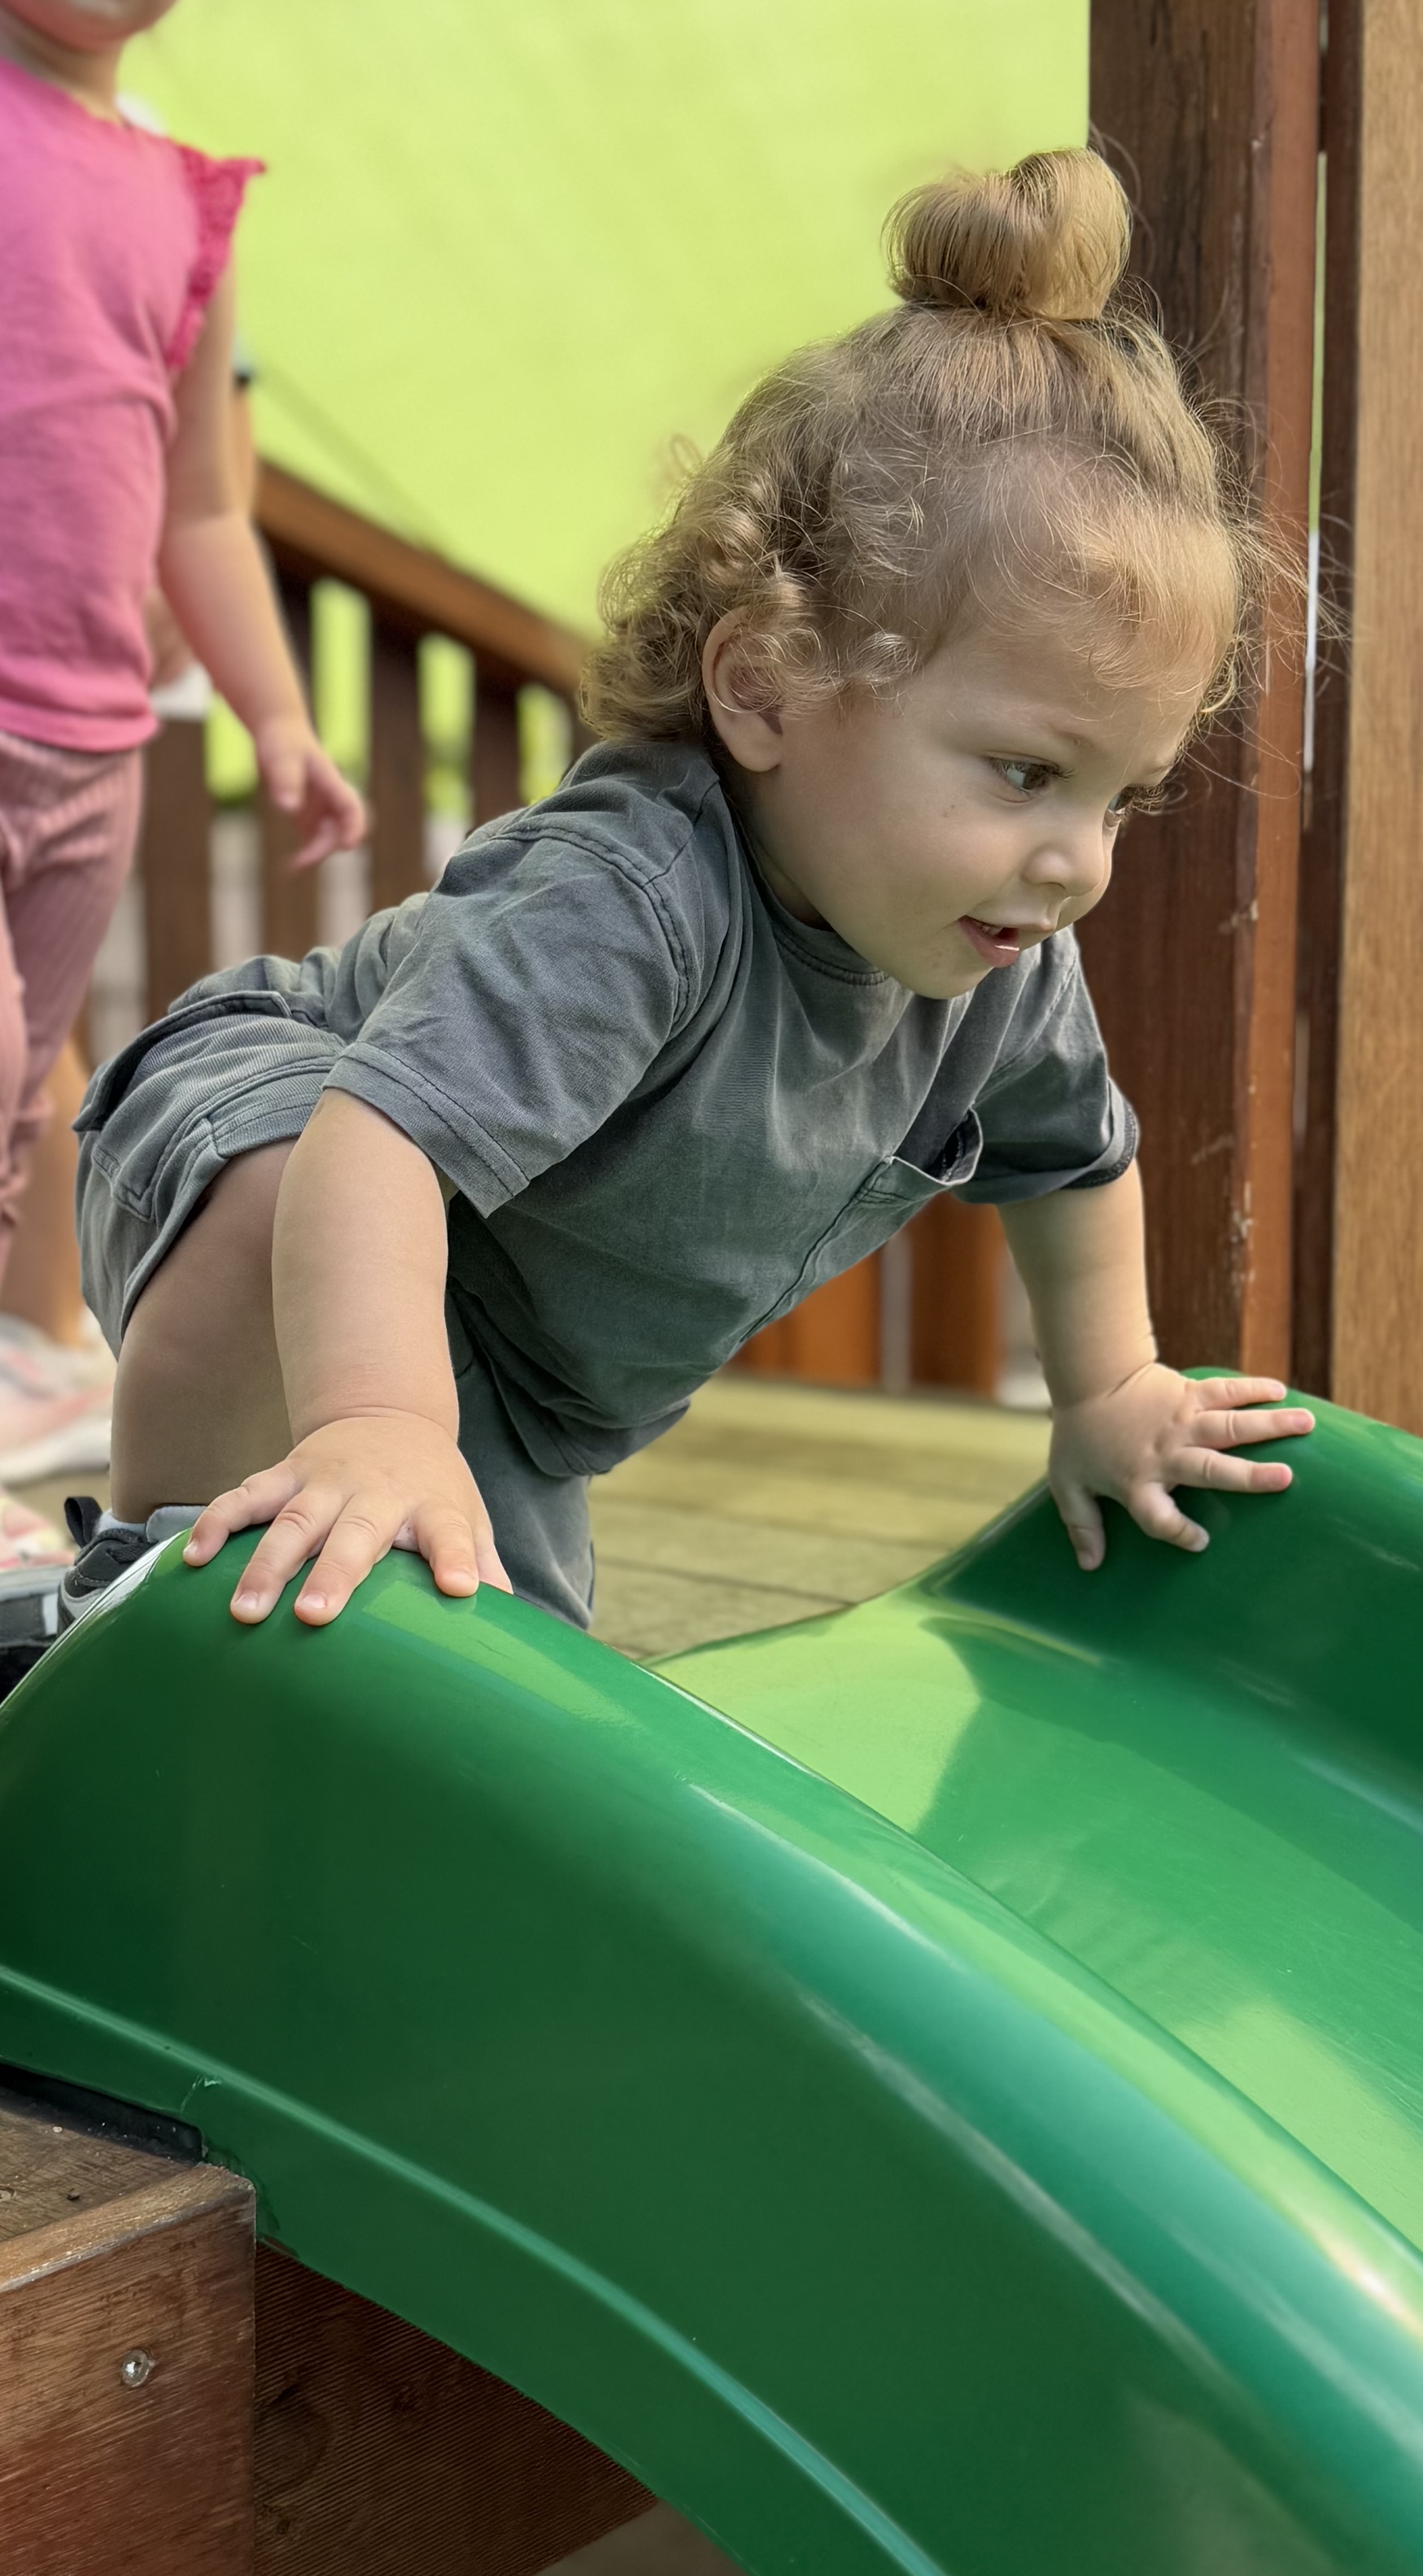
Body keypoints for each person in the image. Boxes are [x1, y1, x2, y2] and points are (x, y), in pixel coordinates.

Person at [6, 145, 1313, 1687]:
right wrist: (379, 1423)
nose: (1073, 856)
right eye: (1025, 771)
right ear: (764, 687)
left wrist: (1108, 1390)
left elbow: (1072, 1156)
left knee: (499, 1691)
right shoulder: (635, 895)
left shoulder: (1003, 966)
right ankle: (144, 1593)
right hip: (289, 1129)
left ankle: (76, 1629)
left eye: (1118, 797)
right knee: (289, 1231)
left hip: (516, 1362)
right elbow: (379, 1139)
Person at [0, 0, 364, 1582]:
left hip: (91, 742)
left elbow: (203, 508)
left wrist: (275, 714)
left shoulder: (180, 196)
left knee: (22, 1099)